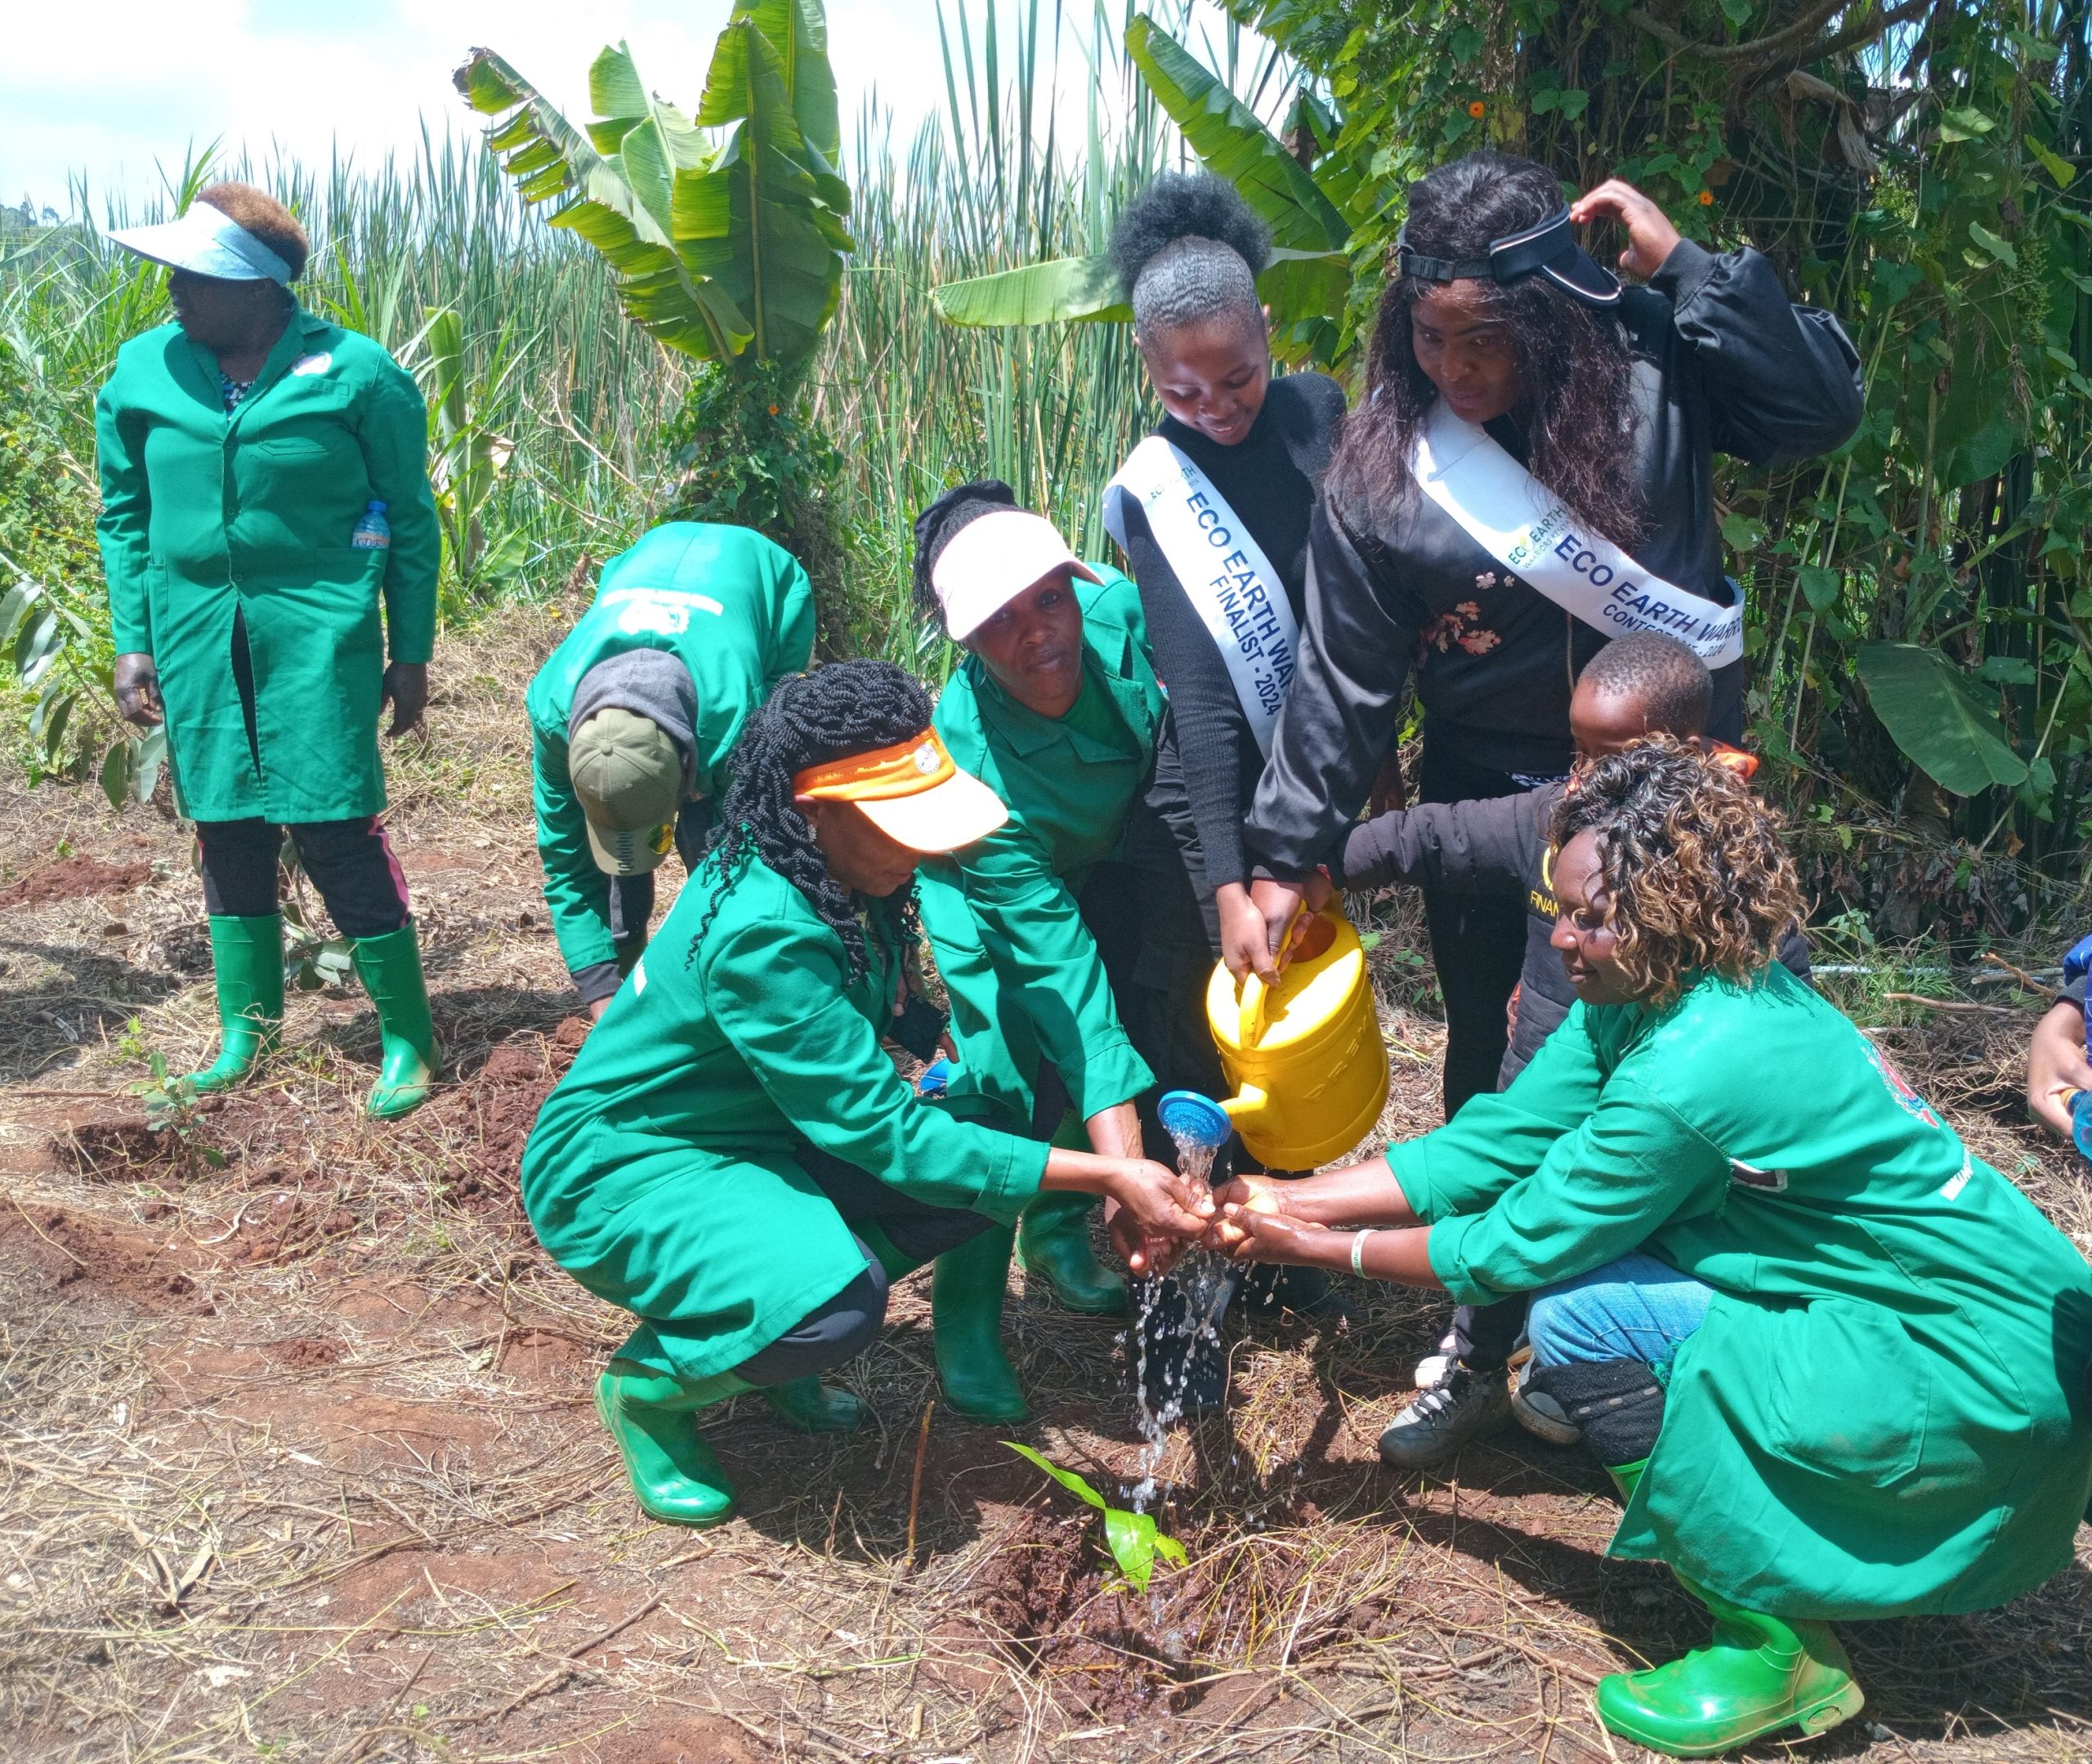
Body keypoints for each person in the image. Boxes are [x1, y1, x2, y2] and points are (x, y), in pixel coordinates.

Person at [1208, 739, 2092, 1757]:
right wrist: (1278, 1193)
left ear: (1671, 906)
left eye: (1591, 916)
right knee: (1605, 1269)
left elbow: (1507, 1246)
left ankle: (1776, 1649)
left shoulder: (1693, 1068)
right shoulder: (1663, 988)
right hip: (1941, 1324)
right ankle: (1781, 1537)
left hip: (1984, 1373)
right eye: (1561, 907)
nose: (1564, 937)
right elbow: (1486, 1146)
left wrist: (1308, 1243)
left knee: (1581, 1314)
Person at [1239, 150, 1863, 1116]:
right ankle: (1487, 1244)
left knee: (1703, 1016)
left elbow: (1820, 412)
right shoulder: (1385, 468)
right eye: (1428, 336)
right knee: (1496, 1037)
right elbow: (1340, 680)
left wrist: (1693, 274)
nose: (1454, 369)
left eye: (1485, 337)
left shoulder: (1657, 366)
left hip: (1674, 779)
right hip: (1488, 784)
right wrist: (1285, 857)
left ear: (1550, 311)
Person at [519, 661, 1212, 1528]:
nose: (918, 847)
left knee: (1002, 1121)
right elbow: (888, 1137)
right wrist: (1106, 1176)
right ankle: (651, 1391)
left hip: (750, 1131)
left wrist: (955, 1050)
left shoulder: (819, 863)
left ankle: (776, 1306)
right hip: (629, 1167)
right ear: (814, 807)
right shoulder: (765, 931)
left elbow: (907, 994)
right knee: (837, 1305)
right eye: (898, 826)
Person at [1335, 634, 1808, 1467]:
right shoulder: (1551, 820)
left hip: (1665, 1121)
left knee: (1623, 1246)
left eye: (1610, 754)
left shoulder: (1730, 885)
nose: (1587, 776)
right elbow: (1431, 836)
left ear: (1689, 754)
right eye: (1577, 750)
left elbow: (1779, 1022)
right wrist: (1305, 869)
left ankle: (1603, 1377)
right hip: (1545, 1085)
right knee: (1506, 1218)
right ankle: (1475, 1367)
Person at [96, 183, 443, 1118]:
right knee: (225, 825)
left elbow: (411, 519)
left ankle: (408, 1035)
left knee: (336, 825)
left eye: (194, 276)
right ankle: (247, 1031)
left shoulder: (356, 373)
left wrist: (408, 653)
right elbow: (125, 516)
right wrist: (134, 642)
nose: (172, 288)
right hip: (195, 632)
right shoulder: (142, 372)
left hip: (316, 632)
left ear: (256, 290)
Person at [1099, 170, 1351, 1355]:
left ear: (1269, 332)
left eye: (1235, 376)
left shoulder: (1324, 418)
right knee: (1204, 1043)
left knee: (1289, 1026)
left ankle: (1282, 1247)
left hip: (1311, 786)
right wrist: (1227, 885)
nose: (1213, 406)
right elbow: (1199, 713)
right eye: (1178, 388)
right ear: (1149, 368)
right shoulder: (1158, 492)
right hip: (1204, 813)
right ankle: (1184, 1291)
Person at [910, 483, 1200, 1422]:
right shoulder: (972, 757)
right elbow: (1056, 969)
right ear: (965, 644)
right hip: (995, 890)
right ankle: (965, 1315)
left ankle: (1057, 1232)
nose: (1037, 632)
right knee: (1002, 1072)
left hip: (1113, 854)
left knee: (1122, 1027)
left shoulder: (1122, 609)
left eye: (1047, 597)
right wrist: (1127, 1165)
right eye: (999, 622)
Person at [525, 522, 815, 1018]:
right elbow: (567, 863)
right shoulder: (554, 713)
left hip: (766, 581)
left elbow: (760, 850)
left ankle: (732, 974)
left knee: (719, 849)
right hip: (647, 557)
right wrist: (601, 994)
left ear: (689, 766)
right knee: (621, 862)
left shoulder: (738, 723)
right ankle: (626, 960)